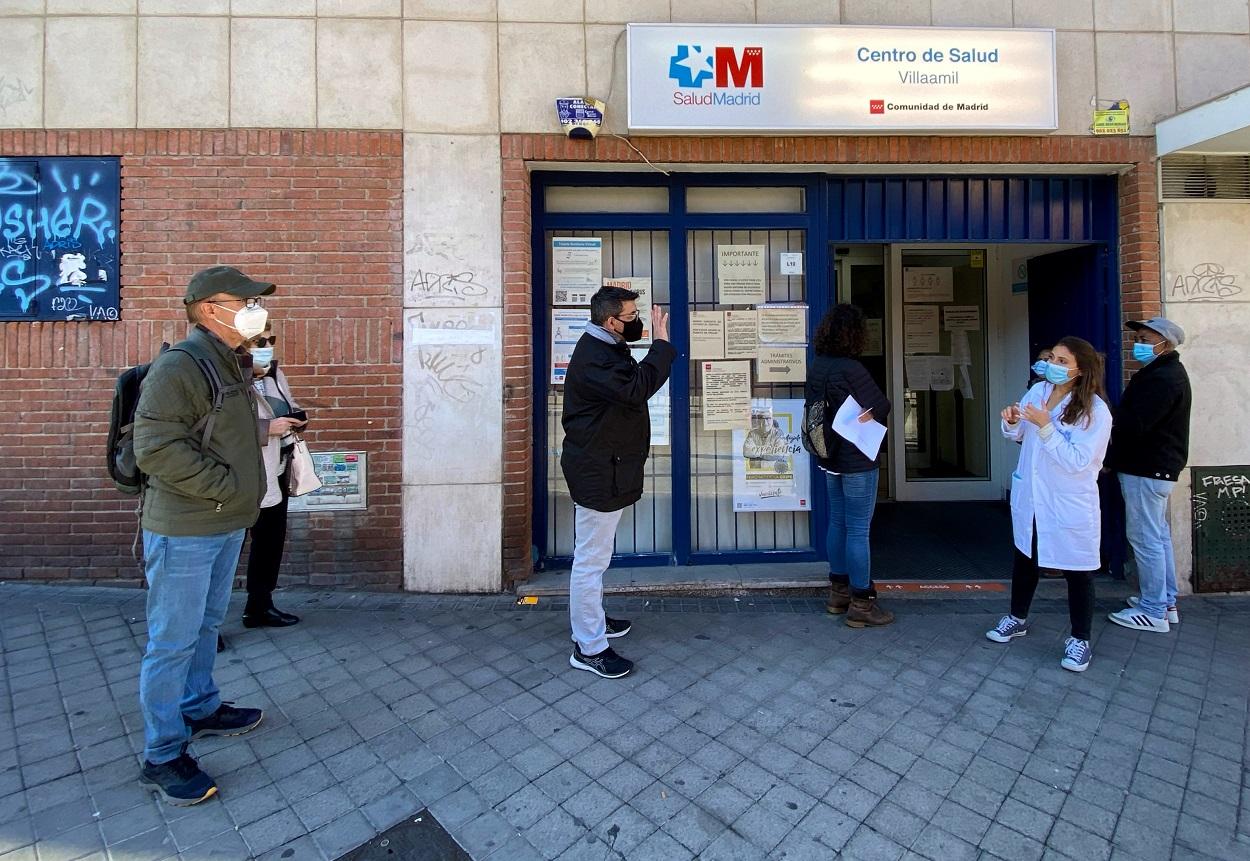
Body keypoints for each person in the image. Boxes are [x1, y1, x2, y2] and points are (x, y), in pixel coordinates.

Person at [132, 266, 272, 805]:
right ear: (210, 309)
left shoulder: (228, 362)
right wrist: (224, 488)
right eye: (245, 301)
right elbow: (157, 447)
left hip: (223, 520)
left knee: (207, 624)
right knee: (172, 639)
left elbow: (220, 432)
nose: (255, 309)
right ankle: (163, 754)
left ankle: (200, 705)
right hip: (188, 525)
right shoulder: (181, 366)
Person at [561, 286, 674, 678]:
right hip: (597, 471)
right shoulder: (596, 357)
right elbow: (637, 388)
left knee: (597, 555)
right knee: (590, 561)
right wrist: (661, 345)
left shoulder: (606, 347)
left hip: (606, 466)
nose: (638, 320)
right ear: (611, 322)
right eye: (632, 315)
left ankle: (593, 619)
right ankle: (589, 646)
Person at [986, 337, 1112, 673]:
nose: (1051, 365)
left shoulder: (1095, 412)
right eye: (1051, 358)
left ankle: (1080, 639)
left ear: (1080, 369)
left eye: (1061, 361)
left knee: (1078, 571)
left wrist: (1045, 427)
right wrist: (1012, 421)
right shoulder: (1038, 392)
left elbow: (1078, 462)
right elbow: (1018, 435)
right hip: (1033, 495)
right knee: (1025, 557)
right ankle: (1017, 617)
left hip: (1067, 500)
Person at [807, 304, 893, 628]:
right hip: (857, 456)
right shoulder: (852, 368)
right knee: (859, 529)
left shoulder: (819, 365)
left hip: (829, 456)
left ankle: (837, 592)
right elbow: (881, 405)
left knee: (838, 523)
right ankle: (862, 602)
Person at [1105, 317, 1192, 633]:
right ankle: (1165, 601)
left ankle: (1153, 609)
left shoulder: (1163, 378)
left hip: (1146, 467)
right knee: (1157, 536)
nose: (1137, 345)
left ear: (1164, 343)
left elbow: (1134, 425)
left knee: (1145, 537)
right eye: (1137, 338)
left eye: (1144, 339)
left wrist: (1107, 417)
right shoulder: (1162, 373)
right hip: (1154, 467)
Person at [243, 323, 307, 628]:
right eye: (259, 341)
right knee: (223, 550)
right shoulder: (226, 378)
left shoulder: (273, 374)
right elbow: (216, 430)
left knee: (269, 542)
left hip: (275, 471)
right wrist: (268, 429)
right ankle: (205, 625)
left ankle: (260, 605)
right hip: (239, 477)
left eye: (270, 340)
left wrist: (296, 419)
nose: (267, 345)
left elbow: (289, 406)